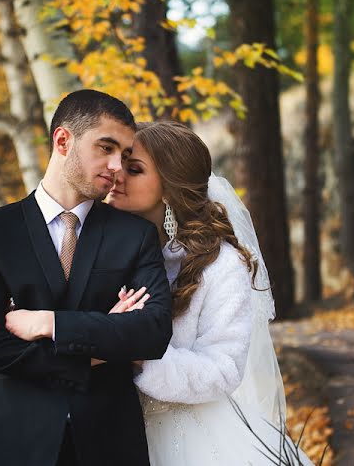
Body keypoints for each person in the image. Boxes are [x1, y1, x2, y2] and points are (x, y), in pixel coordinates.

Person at [0, 90, 173, 466]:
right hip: (15, 445)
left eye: (123, 155)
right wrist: (97, 344)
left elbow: (152, 333)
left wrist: (50, 324)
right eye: (105, 148)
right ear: (63, 141)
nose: (116, 166)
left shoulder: (135, 235)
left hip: (112, 445)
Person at [106, 121, 314, 466]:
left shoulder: (220, 266)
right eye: (116, 164)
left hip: (193, 438)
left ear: (169, 189)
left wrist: (141, 355)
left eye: (135, 169)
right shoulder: (101, 251)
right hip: (112, 433)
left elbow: (223, 369)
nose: (117, 176)